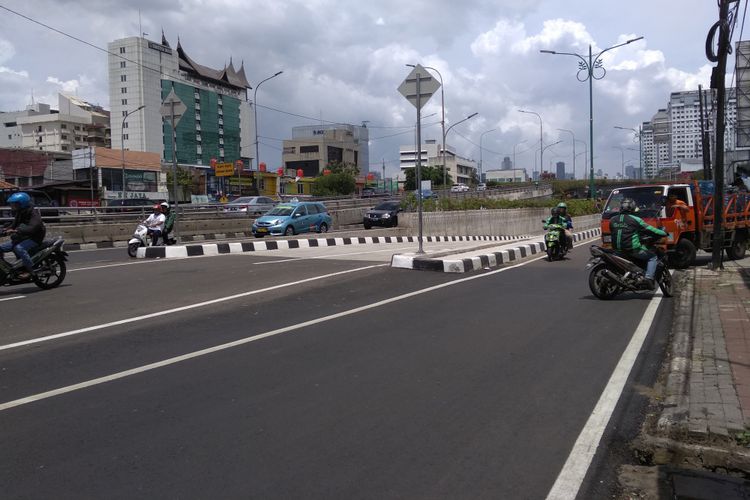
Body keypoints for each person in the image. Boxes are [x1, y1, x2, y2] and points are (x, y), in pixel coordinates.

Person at [610, 198, 668, 290]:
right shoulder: (636, 219)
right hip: (632, 249)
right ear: (632, 208)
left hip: (617, 250)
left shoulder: (612, 220)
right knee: (652, 257)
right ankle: (648, 278)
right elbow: (650, 229)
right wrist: (663, 233)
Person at [0, 192, 46, 280]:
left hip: (34, 238)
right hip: (23, 237)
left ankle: (30, 270)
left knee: (19, 248)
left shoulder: (33, 214)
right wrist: (4, 230)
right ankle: (7, 269)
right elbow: (13, 225)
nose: (12, 206)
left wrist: (17, 230)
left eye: (14, 204)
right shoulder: (20, 212)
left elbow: (33, 227)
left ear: (21, 204)